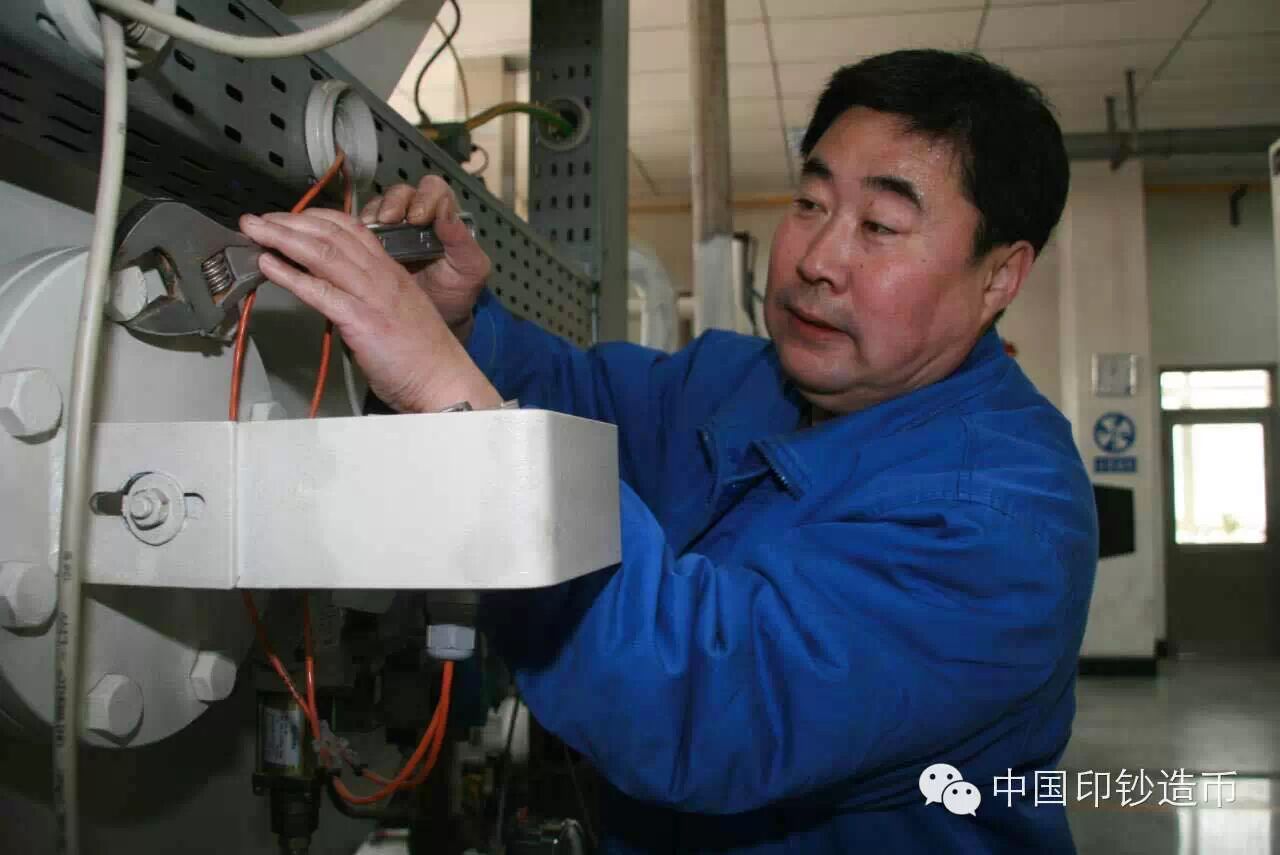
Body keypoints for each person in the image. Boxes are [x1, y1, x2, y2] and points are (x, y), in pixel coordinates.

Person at [240, 49, 1097, 854]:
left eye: (879, 224)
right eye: (811, 203)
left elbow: (705, 706)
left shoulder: (1003, 520)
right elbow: (579, 401)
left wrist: (448, 396)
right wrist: (458, 330)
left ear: (998, 276)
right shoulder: (745, 381)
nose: (817, 259)